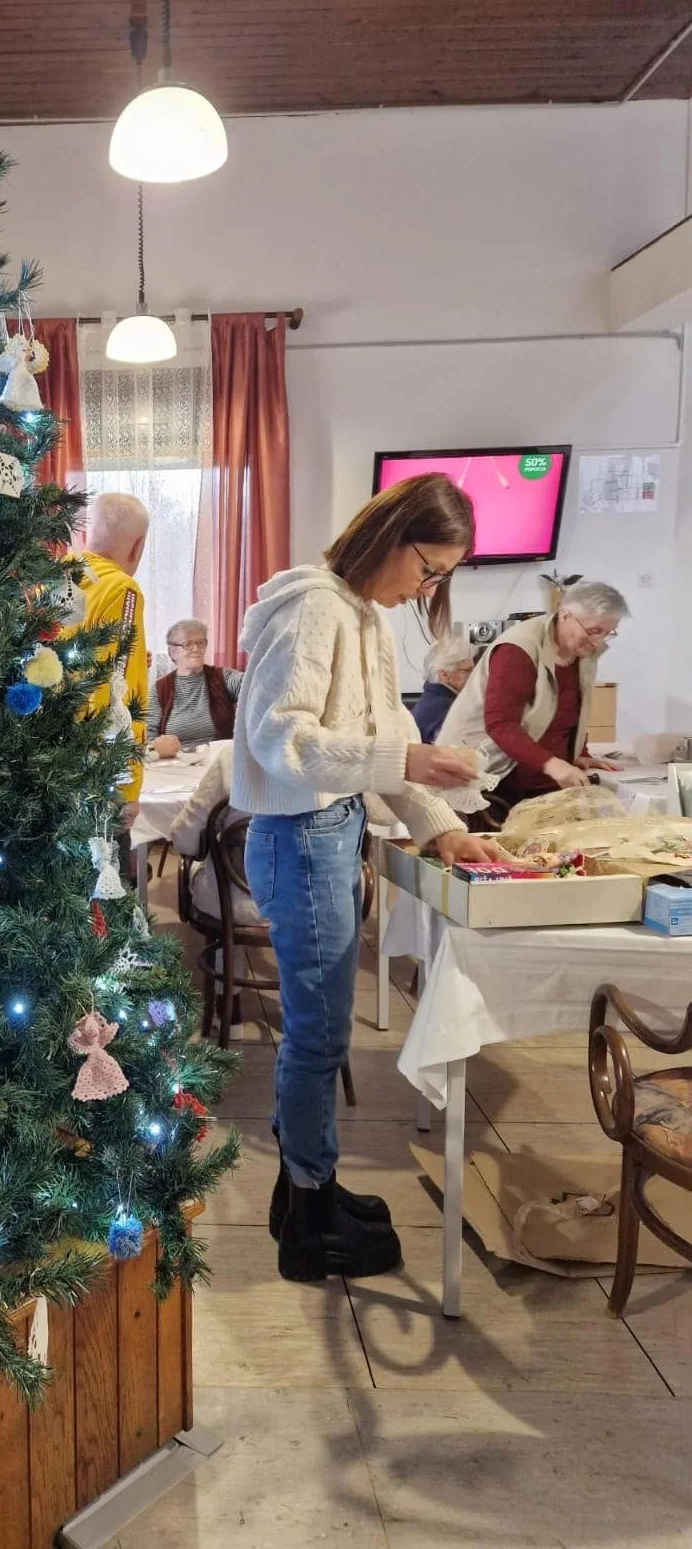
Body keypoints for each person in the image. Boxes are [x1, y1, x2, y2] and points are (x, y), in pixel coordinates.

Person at [231, 472, 501, 1283]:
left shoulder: (361, 615)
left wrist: (441, 824)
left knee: (322, 1034)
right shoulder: (315, 607)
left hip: (326, 831)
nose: (427, 589)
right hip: (301, 837)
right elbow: (280, 739)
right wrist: (408, 761)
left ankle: (303, 1187)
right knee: (317, 1037)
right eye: (428, 569)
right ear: (391, 538)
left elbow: (385, 739)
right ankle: (309, 1216)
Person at [436, 581, 628, 812]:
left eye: (608, 633)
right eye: (594, 631)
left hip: (541, 781)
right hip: (495, 781)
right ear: (565, 615)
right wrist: (553, 764)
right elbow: (501, 725)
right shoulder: (517, 650)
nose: (598, 641)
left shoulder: (582, 651)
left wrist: (579, 752)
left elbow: (571, 709)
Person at [74, 492, 151, 826]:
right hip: (95, 774)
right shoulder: (122, 589)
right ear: (138, 546)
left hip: (45, 756)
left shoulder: (54, 578)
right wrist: (127, 786)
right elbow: (119, 691)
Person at [168, 742, 264, 925]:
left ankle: (226, 945)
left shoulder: (235, 756)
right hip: (313, 907)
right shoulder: (323, 759)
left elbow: (185, 839)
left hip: (237, 903)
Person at [147, 619, 243, 756]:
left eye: (200, 643)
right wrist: (158, 747)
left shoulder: (223, 677)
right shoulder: (159, 689)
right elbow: (148, 738)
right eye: (188, 644)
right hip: (176, 763)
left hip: (219, 759)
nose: (196, 649)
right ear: (173, 652)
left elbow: (253, 686)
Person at [411, 634, 475, 743]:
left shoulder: (430, 701)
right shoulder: (447, 709)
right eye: (468, 671)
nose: (474, 675)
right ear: (444, 674)